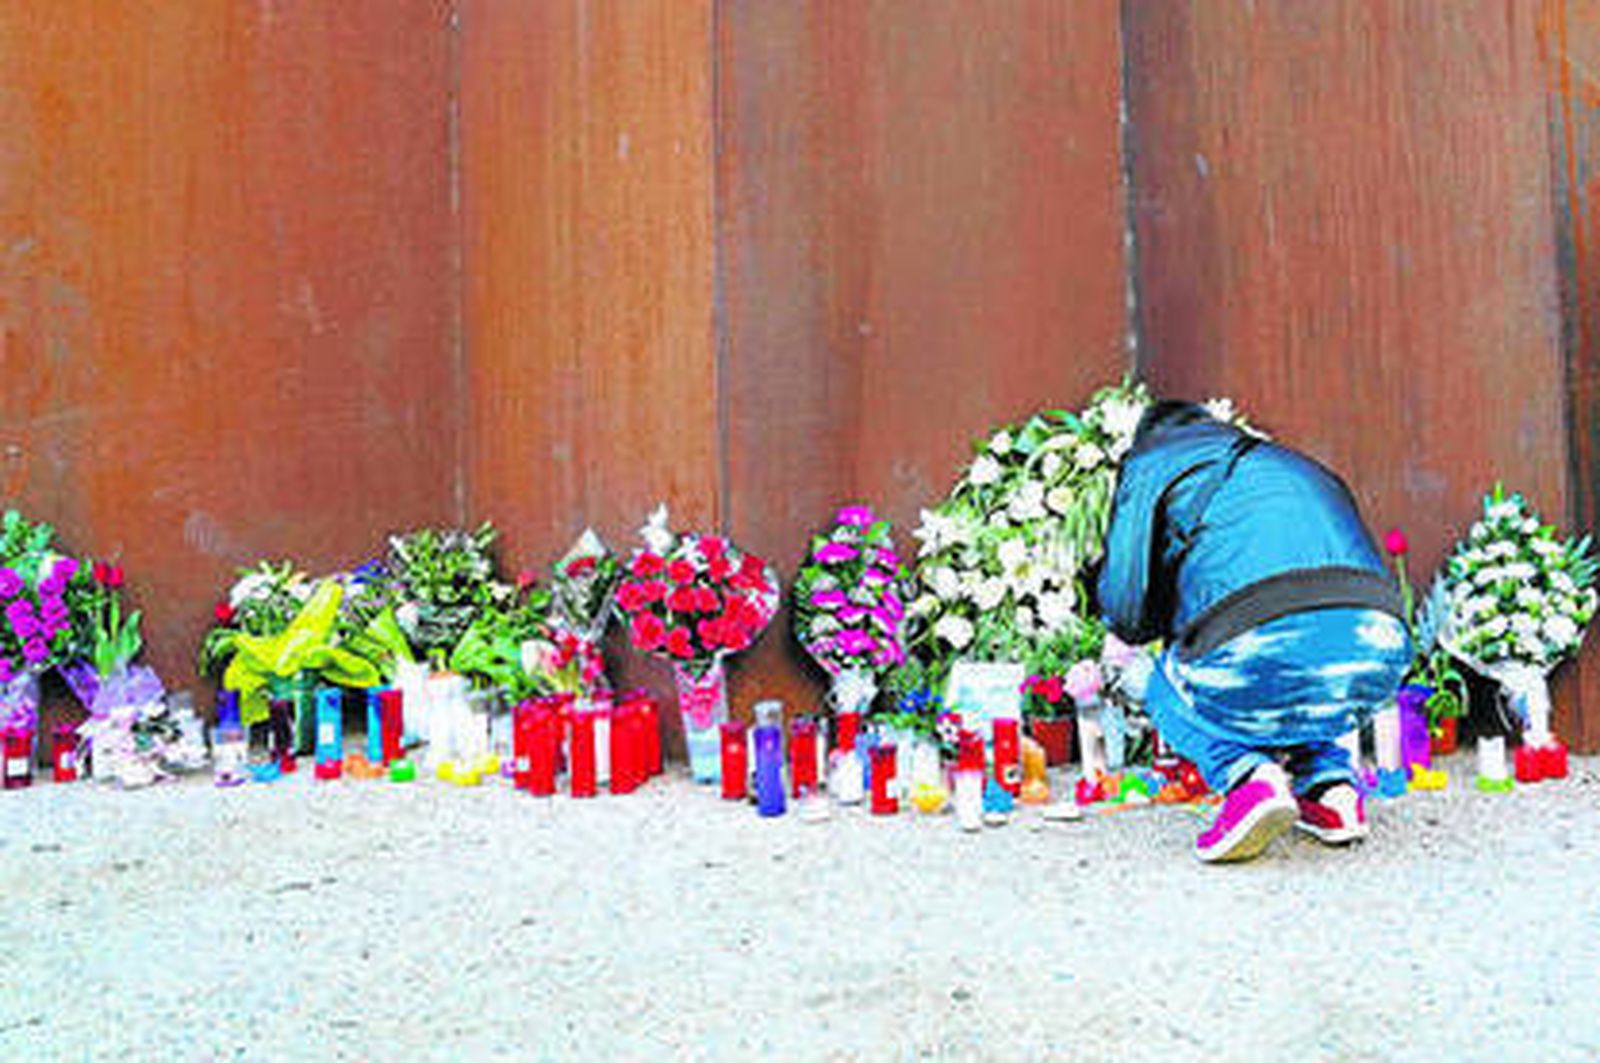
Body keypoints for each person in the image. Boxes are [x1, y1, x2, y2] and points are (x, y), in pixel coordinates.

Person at [1096, 400, 1411, 863]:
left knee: (1162, 680)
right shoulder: (1291, 462)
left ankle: (1248, 780)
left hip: (1258, 634)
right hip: (1381, 646)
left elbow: (1126, 607)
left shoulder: (1151, 463)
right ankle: (1333, 794)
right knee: (1295, 672)